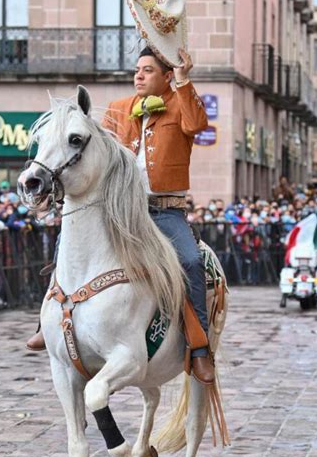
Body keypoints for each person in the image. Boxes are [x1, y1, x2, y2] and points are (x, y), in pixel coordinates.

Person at [26, 45, 215, 384]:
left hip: (164, 211)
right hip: (119, 207)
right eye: (137, 70)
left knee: (189, 261)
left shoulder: (179, 104)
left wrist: (185, 81)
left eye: (148, 70)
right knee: (67, 244)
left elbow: (197, 124)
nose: (139, 75)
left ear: (167, 76)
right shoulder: (118, 109)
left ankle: (198, 347)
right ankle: (47, 324)